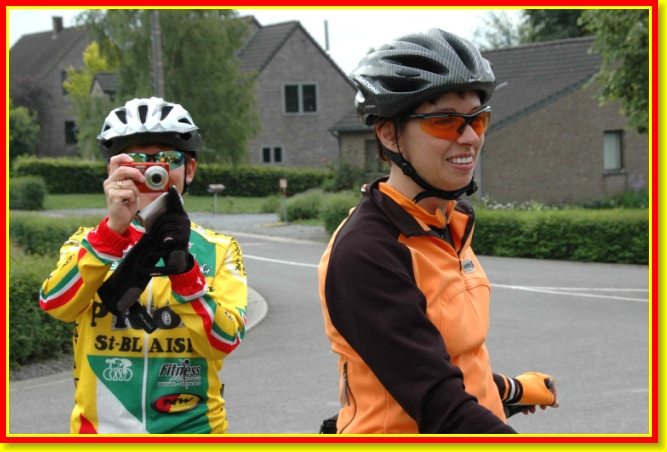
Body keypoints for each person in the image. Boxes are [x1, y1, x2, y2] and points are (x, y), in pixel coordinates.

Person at [318, 29, 559, 434]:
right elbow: (438, 403)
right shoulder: (366, 252)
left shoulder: (449, 222)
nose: (470, 137)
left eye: (477, 119)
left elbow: (443, 359)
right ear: (389, 133)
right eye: (445, 121)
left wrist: (511, 389)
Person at [39, 97, 248, 434]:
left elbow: (224, 341)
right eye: (136, 160)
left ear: (189, 170)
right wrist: (111, 234)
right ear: (113, 171)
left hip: (195, 431)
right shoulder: (87, 243)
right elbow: (55, 304)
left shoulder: (220, 249)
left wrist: (185, 271)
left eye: (168, 159)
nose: (152, 170)